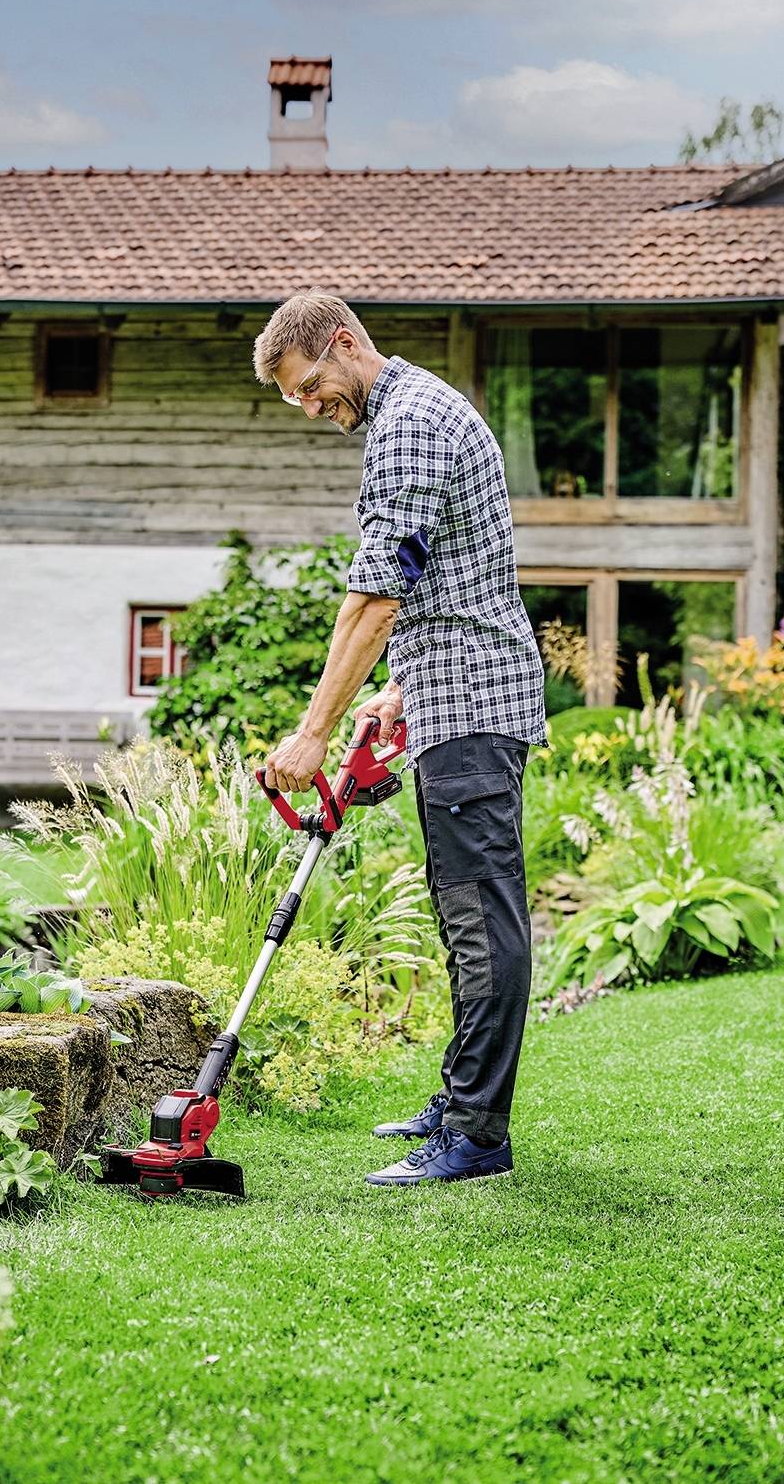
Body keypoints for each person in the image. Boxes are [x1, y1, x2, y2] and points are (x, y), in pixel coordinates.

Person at [252, 292, 547, 1187]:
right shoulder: (415, 409)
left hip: (471, 703)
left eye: (310, 387)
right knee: (463, 912)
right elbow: (444, 575)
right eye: (297, 400)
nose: (311, 409)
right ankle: (462, 1100)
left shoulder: (409, 423)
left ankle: (477, 1137)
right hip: (449, 693)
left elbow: (378, 594)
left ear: (343, 342)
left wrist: (314, 733)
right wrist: (396, 690)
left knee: (480, 915)